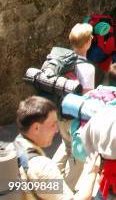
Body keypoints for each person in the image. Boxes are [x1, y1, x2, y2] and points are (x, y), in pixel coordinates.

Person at [14, 96, 99, 200]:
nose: (57, 130)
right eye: (53, 124)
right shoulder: (42, 167)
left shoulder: (15, 145)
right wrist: (92, 172)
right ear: (36, 128)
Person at [52, 23, 96, 189]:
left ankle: (51, 185)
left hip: (59, 113)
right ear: (87, 43)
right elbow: (87, 98)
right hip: (75, 117)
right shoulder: (87, 68)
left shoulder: (61, 60)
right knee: (78, 158)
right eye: (91, 38)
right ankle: (65, 192)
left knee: (65, 147)